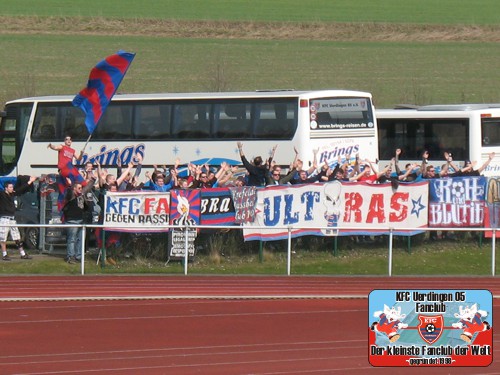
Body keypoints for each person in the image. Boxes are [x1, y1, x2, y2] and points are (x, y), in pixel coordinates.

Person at [0, 176, 37, 261]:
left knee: (16, 236)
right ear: (6, 188)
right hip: (4, 219)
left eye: (12, 187)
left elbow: (21, 189)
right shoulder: (1, 194)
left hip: (12, 219)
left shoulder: (12, 194)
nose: (12, 188)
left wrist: (30, 181)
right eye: (10, 187)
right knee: (3, 237)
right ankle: (4, 254)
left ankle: (22, 253)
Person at [61, 178, 96, 264]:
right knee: (72, 239)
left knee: (80, 239)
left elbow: (87, 188)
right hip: (72, 221)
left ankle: (79, 256)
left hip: (81, 220)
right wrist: (69, 185)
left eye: (81, 188)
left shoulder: (81, 195)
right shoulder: (71, 195)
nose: (81, 189)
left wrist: (93, 179)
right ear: (74, 189)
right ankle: (70, 257)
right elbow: (69, 193)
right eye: (79, 188)